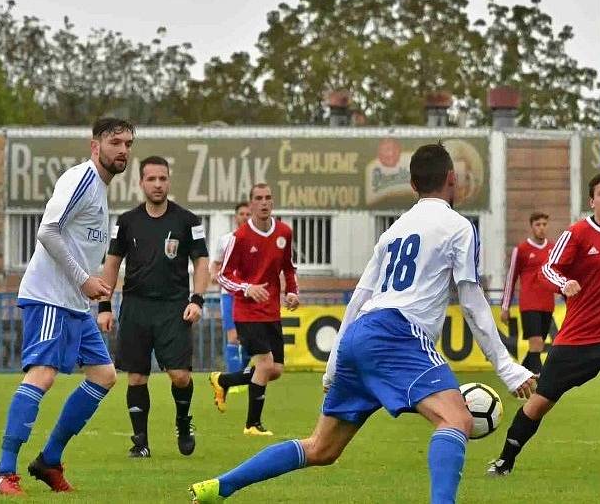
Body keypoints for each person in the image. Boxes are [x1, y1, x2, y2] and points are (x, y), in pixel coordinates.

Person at [190, 143, 535, 503]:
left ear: (413, 186)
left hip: (362, 332)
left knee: (321, 448)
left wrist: (334, 365)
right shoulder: (458, 226)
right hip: (398, 333)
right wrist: (507, 367)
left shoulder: (394, 230)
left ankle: (220, 487)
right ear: (452, 179)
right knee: (456, 420)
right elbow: (472, 299)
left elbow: (360, 296)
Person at [0, 118, 134, 496]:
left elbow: (80, 248)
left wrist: (95, 291)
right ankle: (3, 472)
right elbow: (47, 230)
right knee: (43, 376)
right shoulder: (81, 179)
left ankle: (49, 460)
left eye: (128, 143)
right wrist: (82, 279)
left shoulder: (101, 191)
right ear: (95, 146)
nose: (123, 150)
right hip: (50, 296)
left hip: (73, 303)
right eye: (115, 142)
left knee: (104, 375)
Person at [488, 171, 600, 479]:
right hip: (579, 337)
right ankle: (505, 459)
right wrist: (564, 282)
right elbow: (548, 267)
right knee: (540, 403)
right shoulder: (577, 233)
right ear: (592, 200)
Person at [98, 155, 209, 458]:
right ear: (141, 183)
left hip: (174, 307)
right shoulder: (126, 222)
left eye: (163, 178)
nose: (158, 184)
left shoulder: (187, 221)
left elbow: (201, 263)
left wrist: (197, 300)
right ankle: (140, 443)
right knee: (136, 377)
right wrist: (104, 305)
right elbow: (111, 264)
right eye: (152, 179)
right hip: (135, 306)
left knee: (180, 376)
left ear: (169, 181)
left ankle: (183, 422)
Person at [209, 183, 299, 436]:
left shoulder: (284, 232)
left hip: (271, 311)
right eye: (258, 198)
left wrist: (291, 292)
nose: (264, 202)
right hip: (246, 312)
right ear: (250, 205)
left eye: (268, 198)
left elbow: (288, 268)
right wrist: (247, 288)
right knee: (265, 363)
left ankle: (223, 380)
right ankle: (252, 425)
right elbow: (223, 276)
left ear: (272, 202)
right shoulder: (239, 238)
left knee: (276, 370)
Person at [500, 212, 556, 374]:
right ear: (532, 227)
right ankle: (539, 378)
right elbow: (511, 278)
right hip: (529, 303)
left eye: (544, 224)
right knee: (536, 342)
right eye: (538, 225)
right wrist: (505, 306)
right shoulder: (522, 249)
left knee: (538, 345)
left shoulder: (553, 248)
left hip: (548, 303)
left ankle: (520, 373)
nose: (542, 228)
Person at [209, 202, 252, 376]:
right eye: (241, 213)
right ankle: (234, 379)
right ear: (236, 217)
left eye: (248, 214)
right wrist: (214, 275)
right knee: (233, 337)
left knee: (249, 339)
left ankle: (243, 372)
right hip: (229, 295)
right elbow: (216, 263)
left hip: (250, 296)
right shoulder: (226, 239)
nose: (245, 217)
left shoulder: (259, 240)